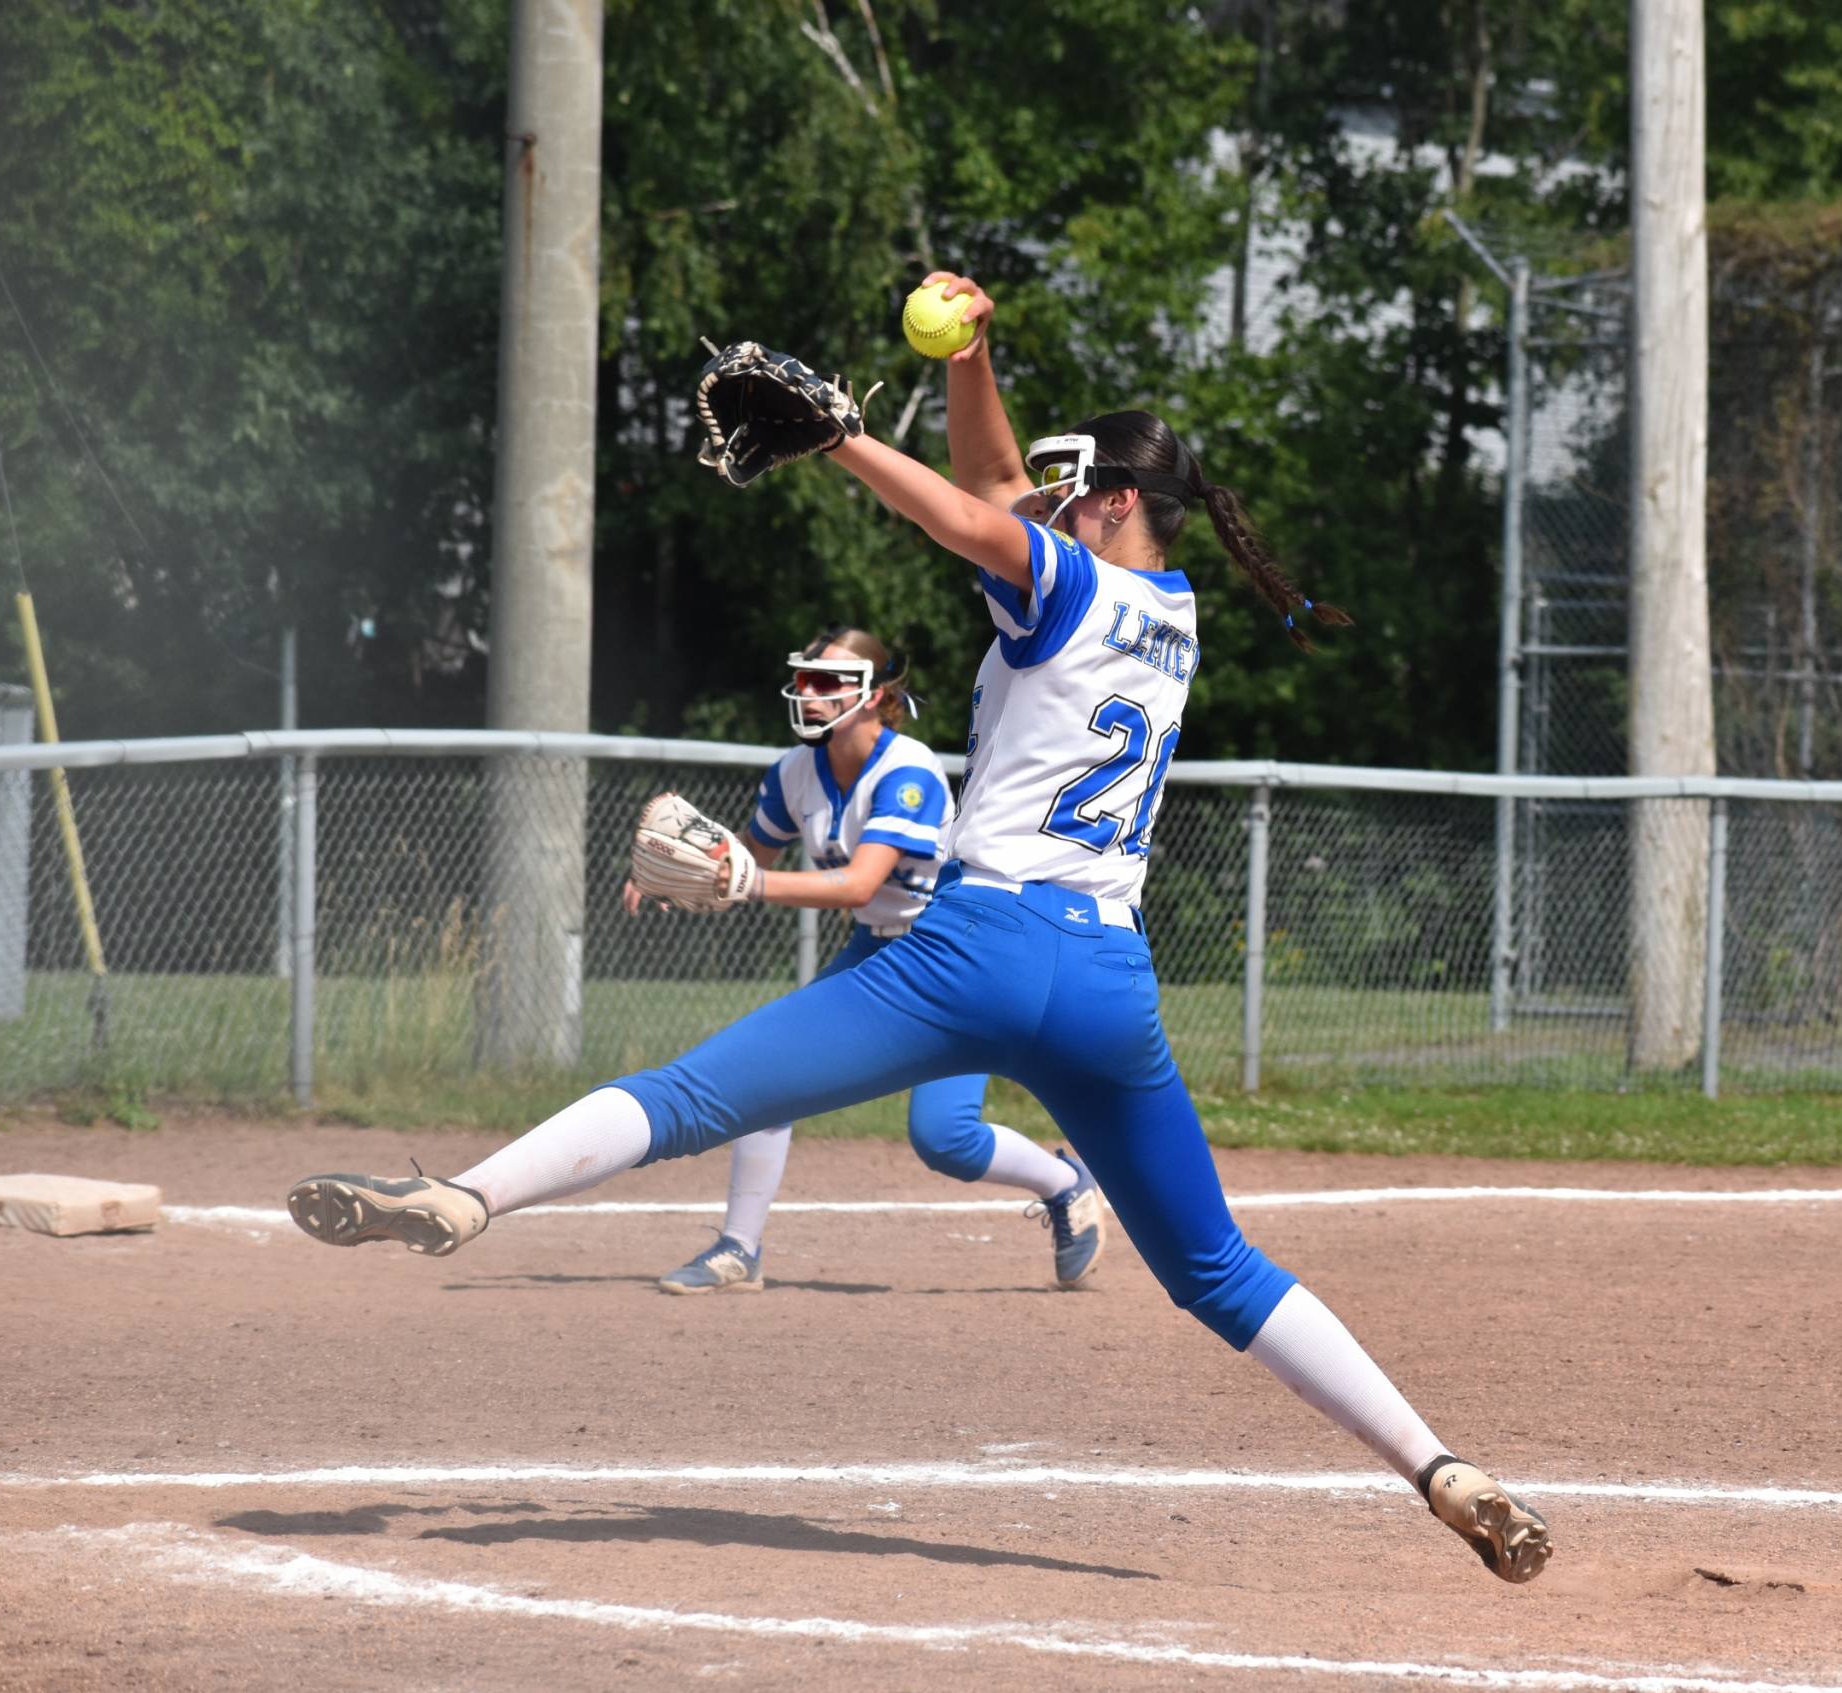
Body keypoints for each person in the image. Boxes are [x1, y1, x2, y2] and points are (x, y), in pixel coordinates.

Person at [285, 271, 1551, 1583]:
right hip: (1107, 977)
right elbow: (993, 486)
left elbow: (958, 511)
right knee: (1214, 1266)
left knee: (694, 1093)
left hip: (978, 950)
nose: (1054, 497)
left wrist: (841, 439)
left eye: (1079, 486)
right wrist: (968, 357)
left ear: (1119, 500)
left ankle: (467, 1195)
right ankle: (1439, 1468)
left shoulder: (1068, 582)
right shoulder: (1172, 613)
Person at [631, 625, 1103, 1296]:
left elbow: (858, 884)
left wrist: (745, 883)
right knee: (765, 1074)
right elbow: (748, 856)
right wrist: (687, 871)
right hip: (874, 950)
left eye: (828, 682)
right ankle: (739, 1249)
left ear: (874, 696)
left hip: (952, 957)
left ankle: (1065, 1183)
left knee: (944, 1137)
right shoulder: (794, 773)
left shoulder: (906, 770)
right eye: (805, 678)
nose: (809, 693)